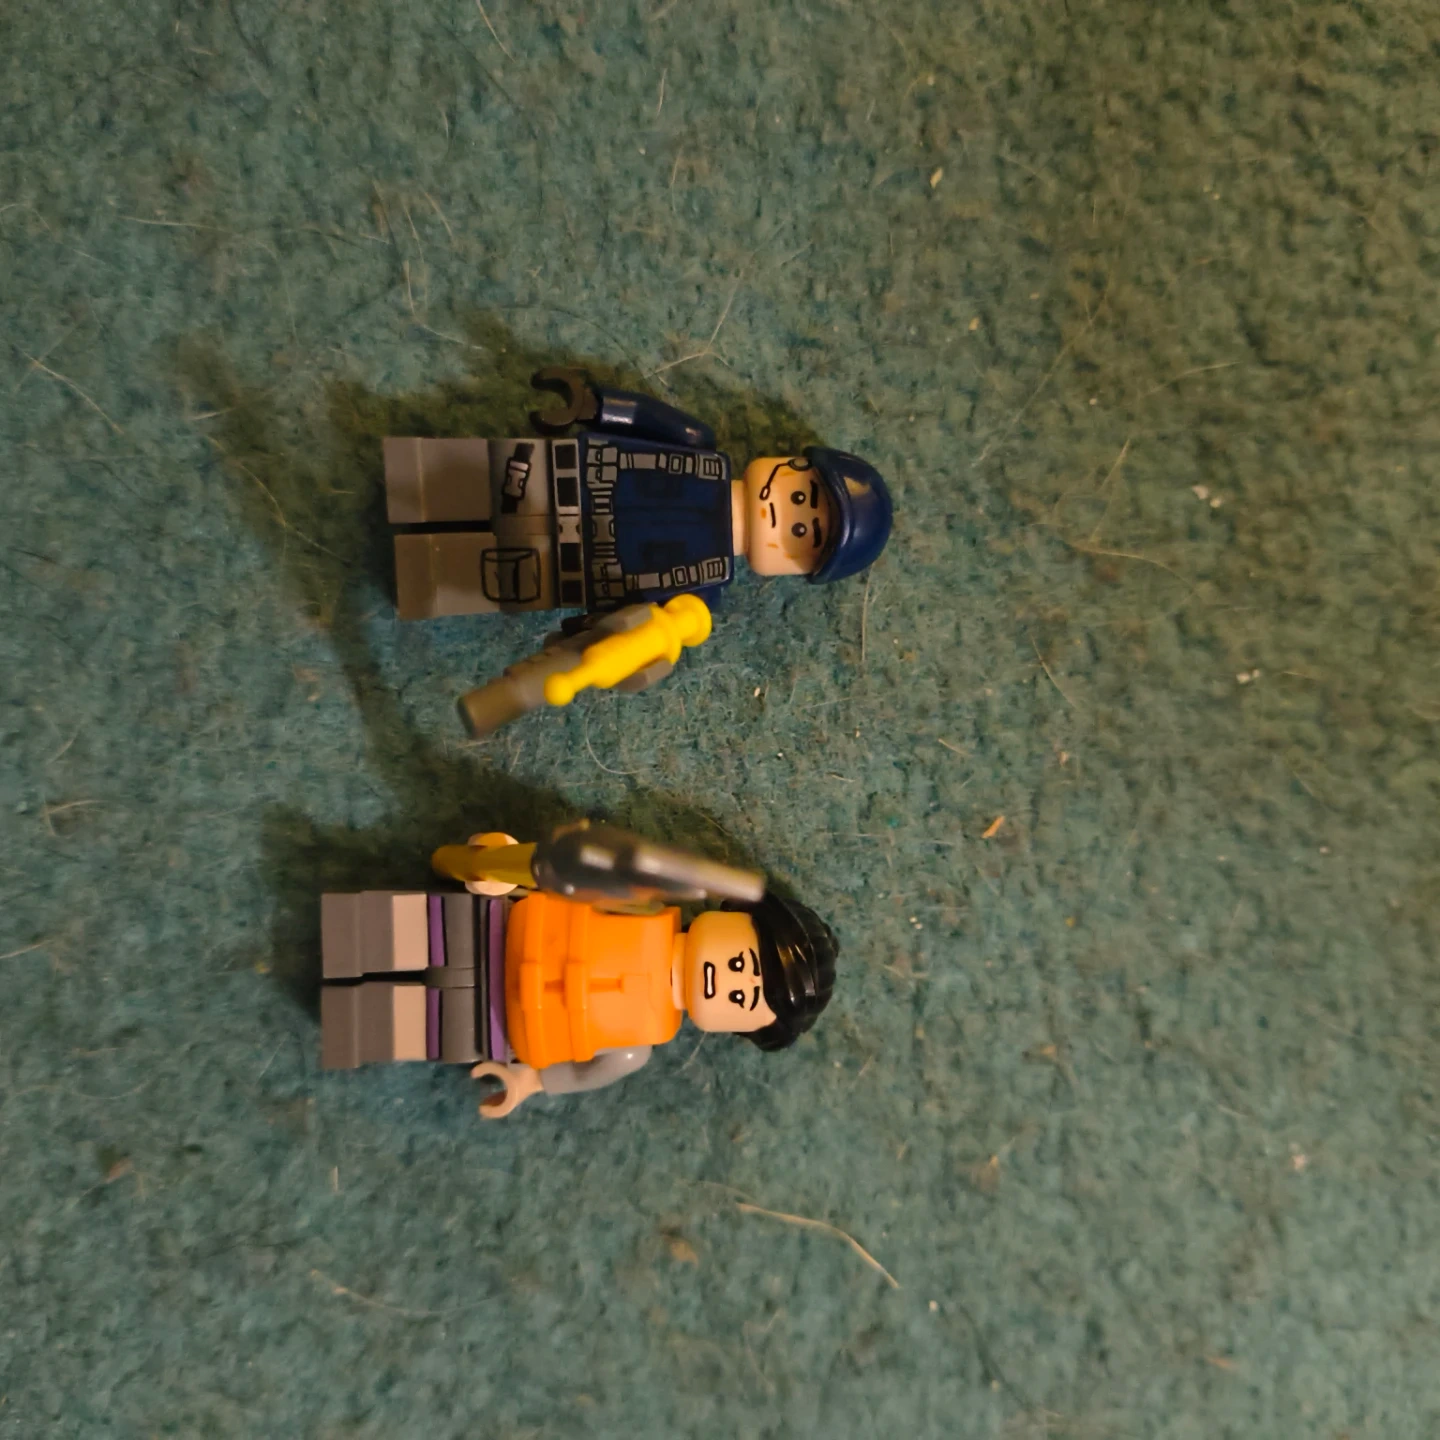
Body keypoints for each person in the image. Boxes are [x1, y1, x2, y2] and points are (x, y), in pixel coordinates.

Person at [319, 825, 837, 1119]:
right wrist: (509, 871)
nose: (727, 981)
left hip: (490, 1027)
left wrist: (528, 1081)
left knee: (393, 1024)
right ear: (731, 917)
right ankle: (343, 935)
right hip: (486, 928)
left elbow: (588, 1072)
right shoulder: (643, 910)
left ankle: (343, 1021)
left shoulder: (637, 1045)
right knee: (389, 931)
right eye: (741, 964)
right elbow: (575, 882)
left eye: (741, 1000)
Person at [382, 368, 893, 620]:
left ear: (797, 568)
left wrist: (595, 632)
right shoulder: (695, 444)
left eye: (805, 532)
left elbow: (642, 622)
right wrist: (593, 405)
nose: (785, 513)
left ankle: (416, 575)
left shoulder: (701, 594)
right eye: (802, 494)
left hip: (559, 568)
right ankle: (411, 484)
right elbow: (648, 417)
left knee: (456, 575)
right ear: (794, 464)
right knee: (463, 479)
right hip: (558, 475)